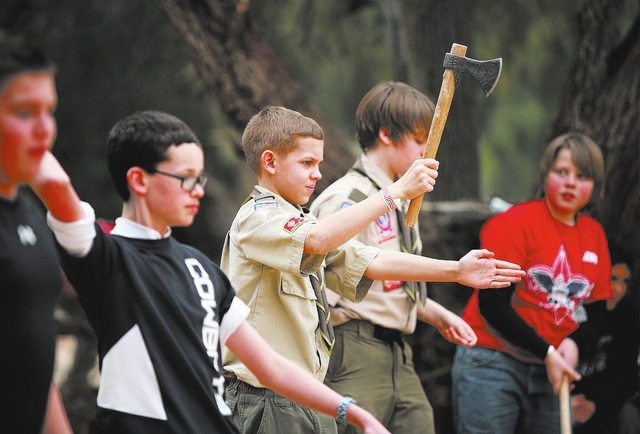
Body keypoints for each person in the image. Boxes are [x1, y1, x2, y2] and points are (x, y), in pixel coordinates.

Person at [33, 109, 391, 433]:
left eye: (199, 178)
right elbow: (55, 186)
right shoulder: (108, 258)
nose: (198, 192)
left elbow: (271, 366)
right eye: (185, 178)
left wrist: (352, 412)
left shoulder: (202, 269)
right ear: (139, 181)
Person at [221, 105, 525, 434]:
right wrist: (394, 193)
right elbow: (319, 239)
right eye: (307, 163)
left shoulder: (301, 223)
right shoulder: (258, 216)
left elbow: (373, 260)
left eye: (319, 164)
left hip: (305, 394)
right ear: (269, 162)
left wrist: (456, 270)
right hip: (266, 396)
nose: (317, 174)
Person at [308, 81, 477, 434]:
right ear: (386, 134)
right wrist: (457, 270)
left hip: (399, 352)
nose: (427, 151)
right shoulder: (352, 198)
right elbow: (330, 281)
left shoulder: (395, 197)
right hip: (354, 348)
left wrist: (431, 311)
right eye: (418, 140)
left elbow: (386, 281)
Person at [451, 132, 613, 434]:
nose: (570, 183)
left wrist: (574, 344)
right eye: (561, 172)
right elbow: (492, 304)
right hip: (492, 359)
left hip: (552, 369)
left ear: (596, 185)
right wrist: (547, 352)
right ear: (546, 173)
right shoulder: (513, 223)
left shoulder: (594, 235)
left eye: (582, 176)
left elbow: (598, 310)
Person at [0, 32, 72, 433]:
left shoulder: (29, 212)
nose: (45, 129)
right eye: (25, 112)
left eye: (50, 111)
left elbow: (35, 365)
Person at [571, 244, 640, 434]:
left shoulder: (627, 316)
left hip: (600, 404)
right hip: (556, 398)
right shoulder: (566, 306)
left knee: (629, 417)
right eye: (613, 278)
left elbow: (625, 377)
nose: (619, 288)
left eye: (625, 281)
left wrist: (594, 404)